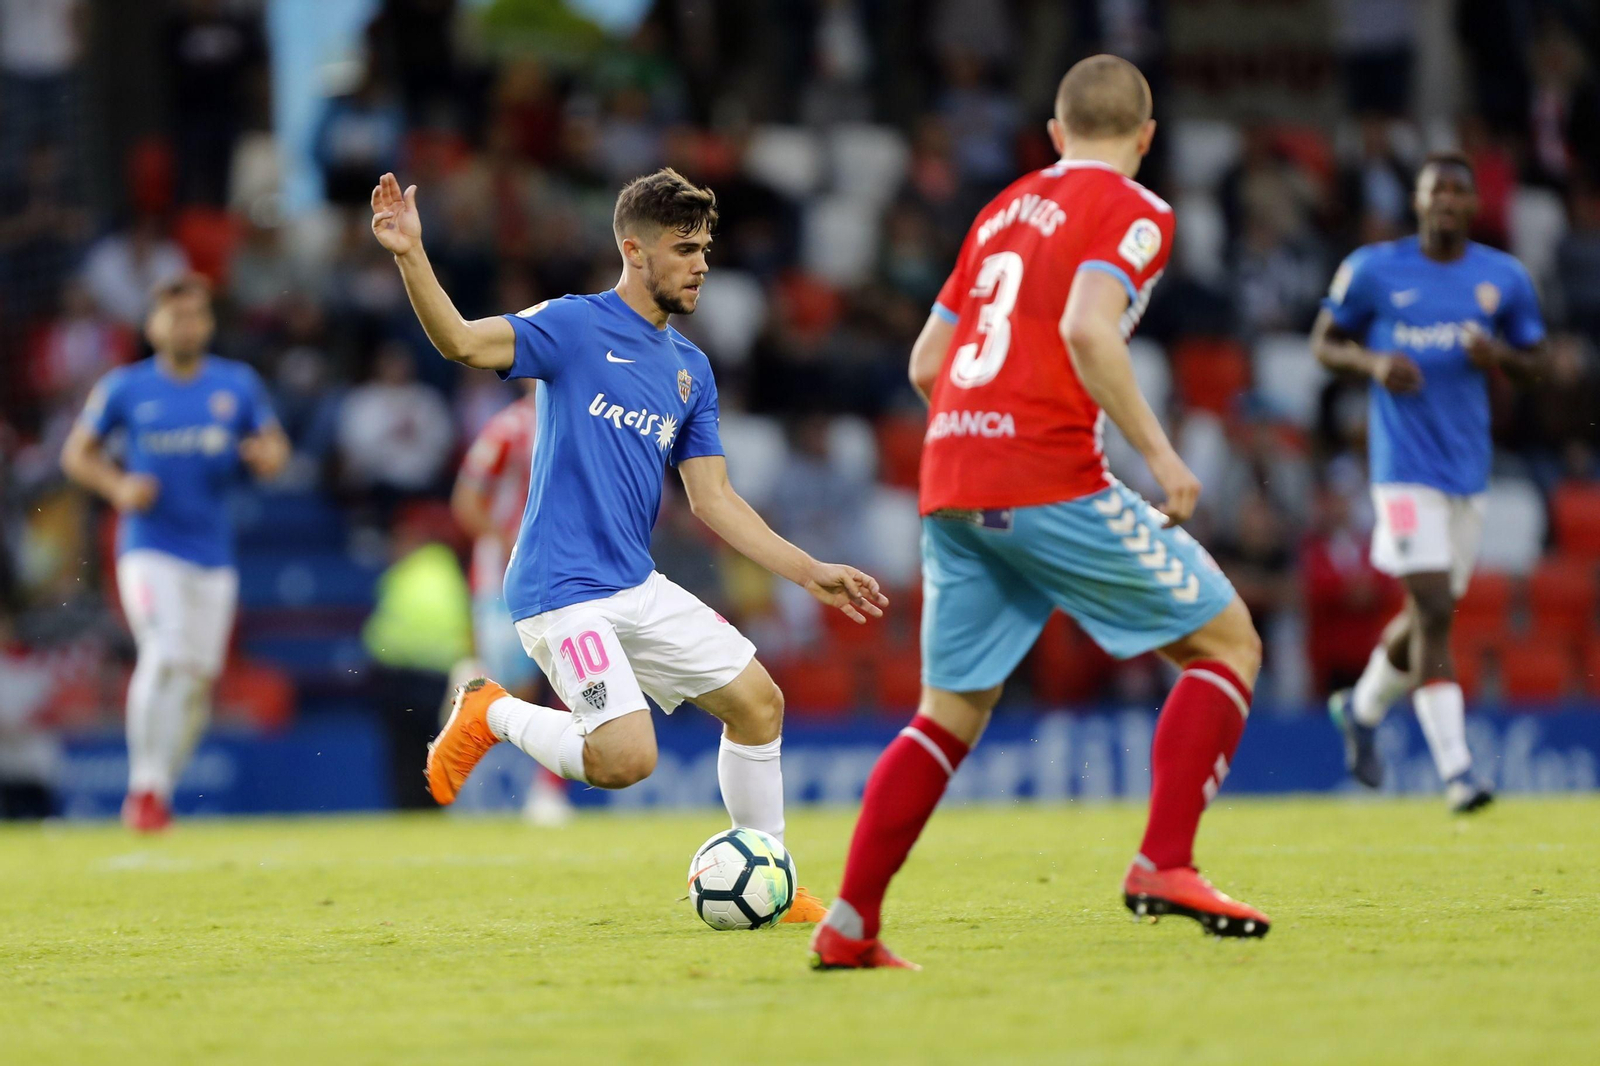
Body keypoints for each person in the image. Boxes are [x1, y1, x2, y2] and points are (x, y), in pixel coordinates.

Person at [810, 55, 1270, 971]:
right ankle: (1163, 864)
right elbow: (1087, 328)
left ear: (1055, 136)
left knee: (947, 714)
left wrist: (986, 424)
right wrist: (1164, 455)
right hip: (1046, 473)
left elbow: (925, 364)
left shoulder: (1001, 210)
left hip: (951, 476)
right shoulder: (1140, 210)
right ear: (1146, 138)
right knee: (1228, 644)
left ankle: (850, 924)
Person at [370, 168, 889, 924]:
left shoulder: (690, 371)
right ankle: (491, 712)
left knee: (758, 704)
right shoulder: (574, 326)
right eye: (685, 248)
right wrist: (410, 254)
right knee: (626, 760)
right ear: (633, 250)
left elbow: (713, 499)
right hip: (561, 592)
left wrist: (808, 572)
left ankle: (772, 875)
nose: (702, 263)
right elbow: (458, 342)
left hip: (633, 584)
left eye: (706, 247)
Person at [1313, 153, 1546, 814]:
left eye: (1458, 191)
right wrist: (1373, 360)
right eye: (1434, 190)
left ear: (1475, 205)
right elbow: (1324, 343)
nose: (1446, 201)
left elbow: (1541, 363)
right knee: (1437, 612)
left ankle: (1359, 711)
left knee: (1425, 617)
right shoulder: (1373, 270)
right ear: (1415, 202)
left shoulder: (1504, 278)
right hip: (1401, 471)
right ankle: (1459, 773)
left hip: (1467, 474)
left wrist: (1497, 357)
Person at [60, 274, 288, 832]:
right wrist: (118, 488)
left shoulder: (236, 385)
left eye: (196, 315)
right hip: (148, 546)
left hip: (211, 554)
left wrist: (265, 456)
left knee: (197, 680)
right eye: (175, 316)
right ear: (153, 325)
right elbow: (76, 455)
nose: (186, 325)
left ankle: (158, 790)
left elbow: (276, 447)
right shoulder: (124, 388)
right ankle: (143, 790)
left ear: (209, 322)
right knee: (163, 652)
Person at [449, 383, 573, 827]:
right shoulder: (507, 428)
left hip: (564, 572)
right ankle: (462, 768)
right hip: (503, 576)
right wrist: (509, 542)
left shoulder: (581, 421)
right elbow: (466, 499)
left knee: (572, 678)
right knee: (512, 687)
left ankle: (547, 793)